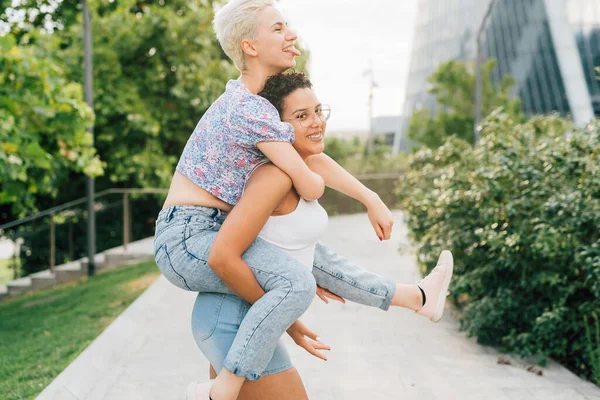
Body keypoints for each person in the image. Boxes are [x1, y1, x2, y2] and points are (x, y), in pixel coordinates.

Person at [152, 1, 452, 399]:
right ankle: (222, 388)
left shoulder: (252, 102)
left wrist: (368, 196)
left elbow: (308, 157)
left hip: (204, 229)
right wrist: (287, 315)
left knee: (311, 254)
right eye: (277, 29)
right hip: (188, 235)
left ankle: (416, 297)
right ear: (250, 47)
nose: (291, 35)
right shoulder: (249, 109)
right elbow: (310, 181)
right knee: (297, 279)